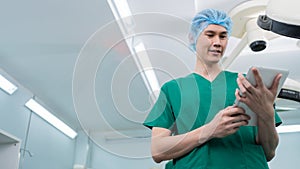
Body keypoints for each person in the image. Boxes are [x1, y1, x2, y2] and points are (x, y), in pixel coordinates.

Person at [143, 9, 282, 169]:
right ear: (192, 38)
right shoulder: (172, 89)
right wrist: (209, 130)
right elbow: (158, 150)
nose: (218, 42)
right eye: (210, 34)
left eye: (223, 36)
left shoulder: (247, 84)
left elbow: (269, 151)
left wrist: (267, 114)